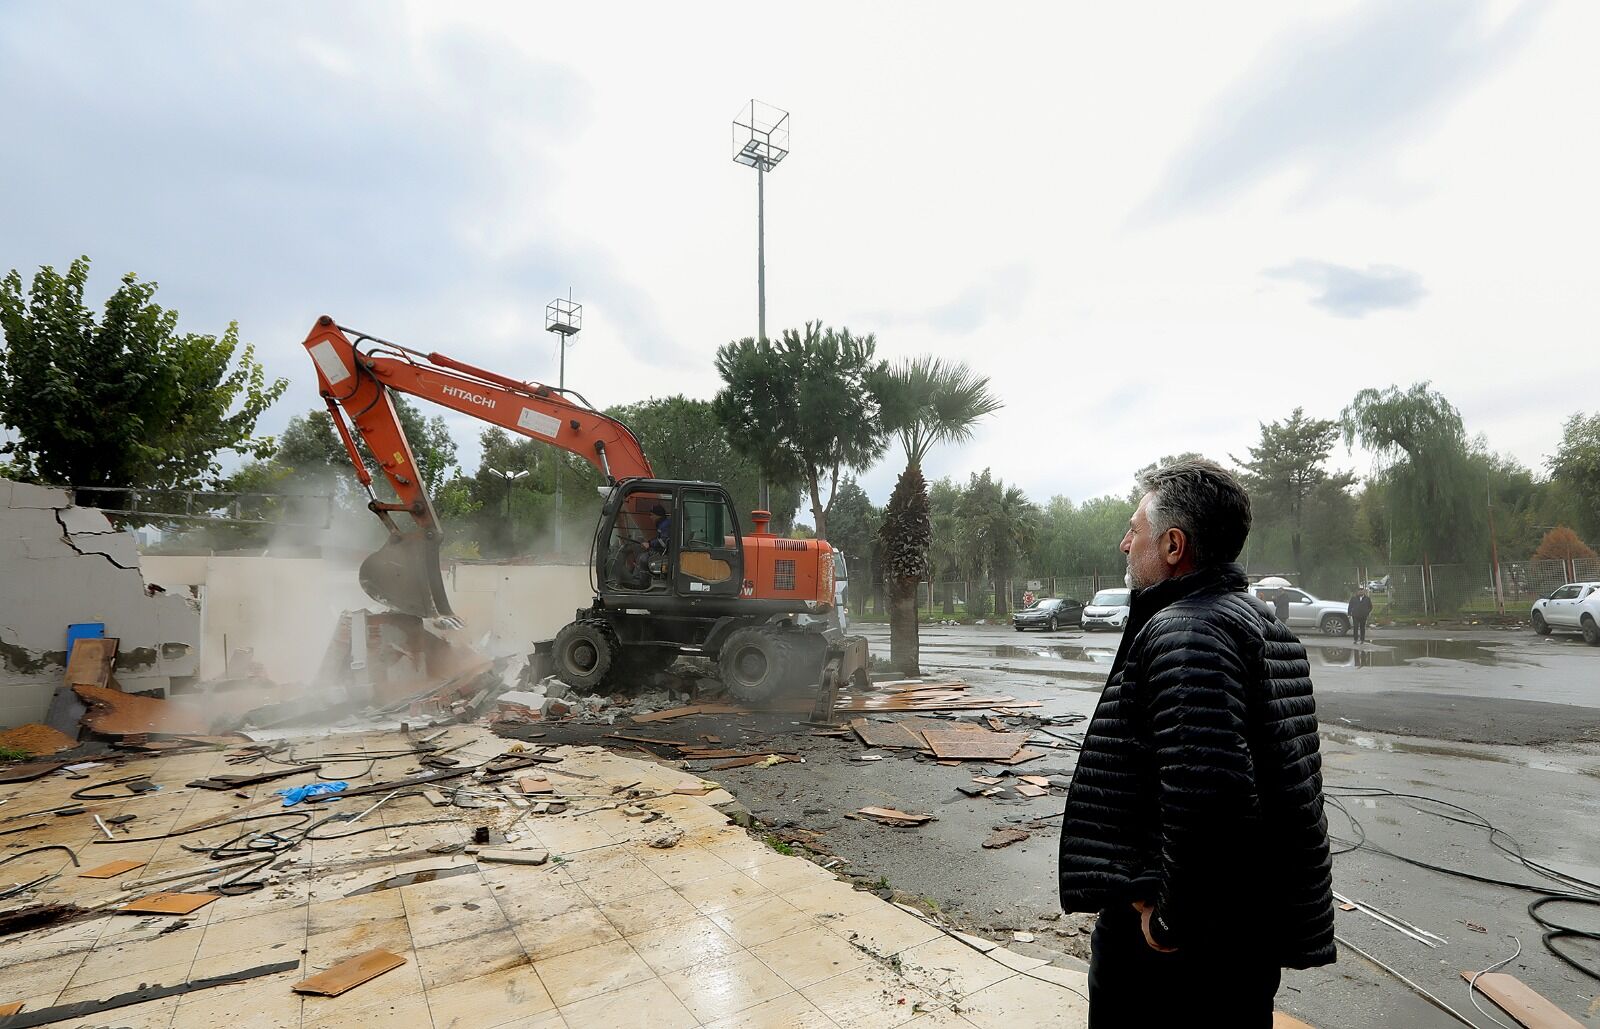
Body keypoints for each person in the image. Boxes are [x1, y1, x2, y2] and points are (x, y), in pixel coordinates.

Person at [1058, 459, 1335, 1027]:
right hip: (1241, 935)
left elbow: (1210, 793)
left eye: (1134, 530)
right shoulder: (1260, 624)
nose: (1123, 542)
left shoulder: (1187, 629)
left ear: (1173, 545)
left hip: (1180, 951)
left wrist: (1169, 921)